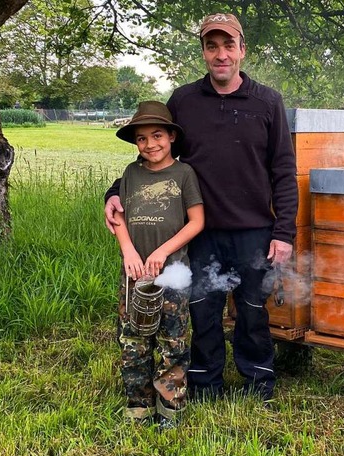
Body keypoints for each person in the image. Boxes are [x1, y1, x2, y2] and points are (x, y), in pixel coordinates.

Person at [105, 13, 298, 402]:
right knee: (203, 310)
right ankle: (207, 383)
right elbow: (157, 154)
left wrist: (284, 232)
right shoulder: (184, 100)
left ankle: (259, 383)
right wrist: (114, 190)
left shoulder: (267, 102)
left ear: (242, 50)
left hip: (253, 229)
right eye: (212, 46)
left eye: (229, 45)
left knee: (253, 309)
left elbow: (284, 170)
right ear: (204, 53)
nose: (221, 54)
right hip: (199, 229)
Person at [112, 100, 204, 428]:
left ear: (171, 137)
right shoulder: (131, 173)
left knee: (173, 341)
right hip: (134, 275)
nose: (150, 144)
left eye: (157, 135)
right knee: (134, 341)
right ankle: (138, 407)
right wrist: (128, 252)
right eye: (141, 139)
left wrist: (163, 251)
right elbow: (118, 216)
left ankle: (171, 407)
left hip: (172, 274)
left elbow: (196, 221)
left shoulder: (184, 173)